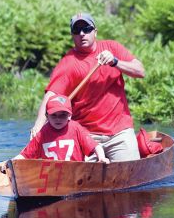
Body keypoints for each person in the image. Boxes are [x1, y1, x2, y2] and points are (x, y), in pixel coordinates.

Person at [30, 12, 145, 162]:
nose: (82, 34)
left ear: (95, 32)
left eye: (86, 29)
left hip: (119, 132)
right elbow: (50, 96)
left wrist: (115, 62)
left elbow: (140, 71)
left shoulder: (112, 48)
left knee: (132, 174)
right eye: (77, 31)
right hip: (86, 134)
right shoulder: (68, 63)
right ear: (72, 35)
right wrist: (38, 127)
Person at [14, 94, 109, 163]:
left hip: (75, 174)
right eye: (54, 115)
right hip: (51, 177)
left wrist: (101, 158)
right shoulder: (43, 133)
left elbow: (96, 146)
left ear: (69, 116)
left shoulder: (76, 128)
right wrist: (11, 163)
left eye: (62, 115)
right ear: (47, 116)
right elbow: (24, 155)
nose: (58, 119)